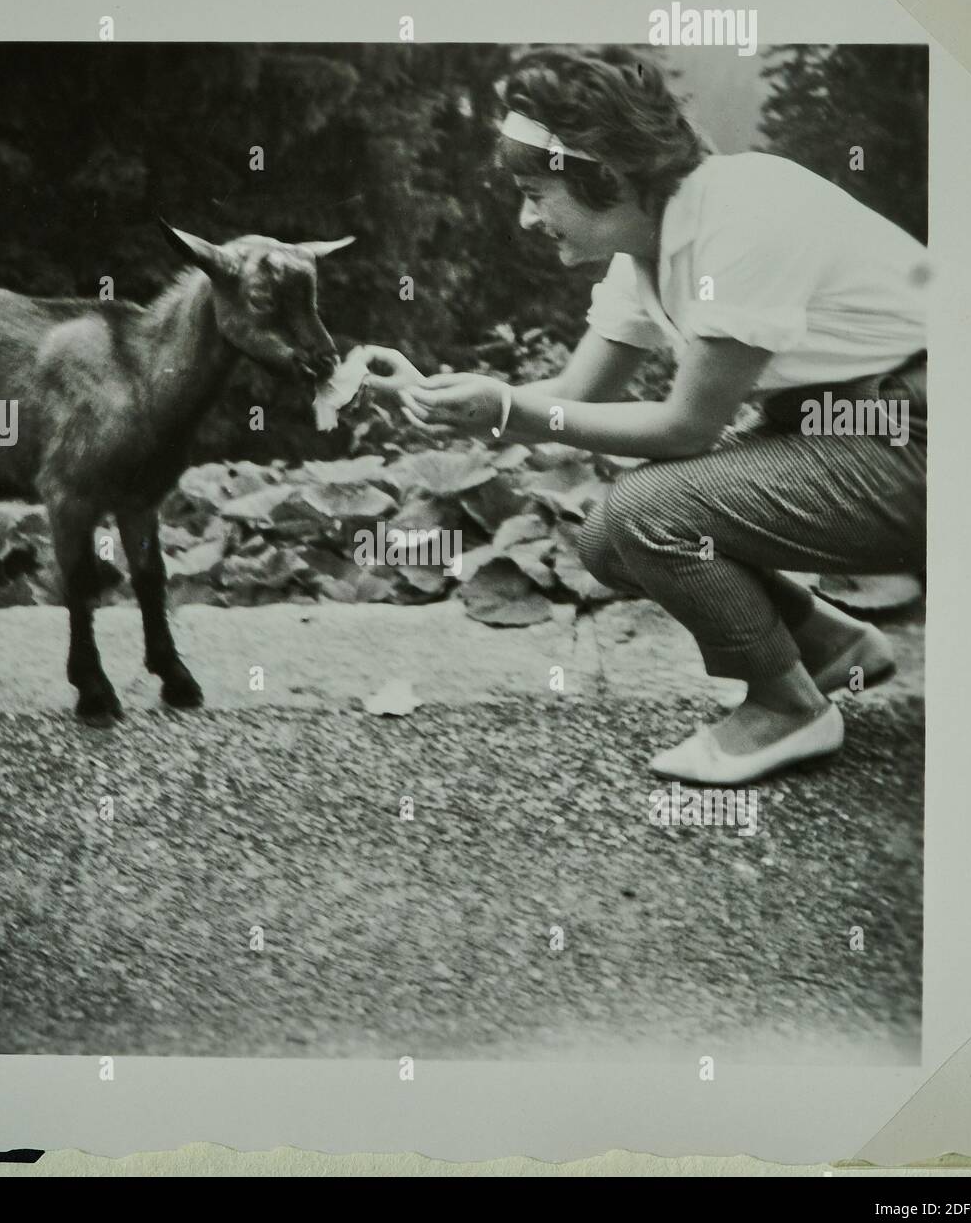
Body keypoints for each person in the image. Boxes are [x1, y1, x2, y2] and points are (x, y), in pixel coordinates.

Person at [364, 48, 928, 785]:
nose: (527, 219)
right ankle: (828, 648)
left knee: (648, 513)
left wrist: (509, 412)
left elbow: (686, 428)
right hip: (840, 427)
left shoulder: (741, 216)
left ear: (608, 173)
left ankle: (787, 707)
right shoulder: (648, 248)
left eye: (537, 193)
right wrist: (447, 399)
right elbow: (573, 396)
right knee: (608, 538)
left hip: (935, 436)